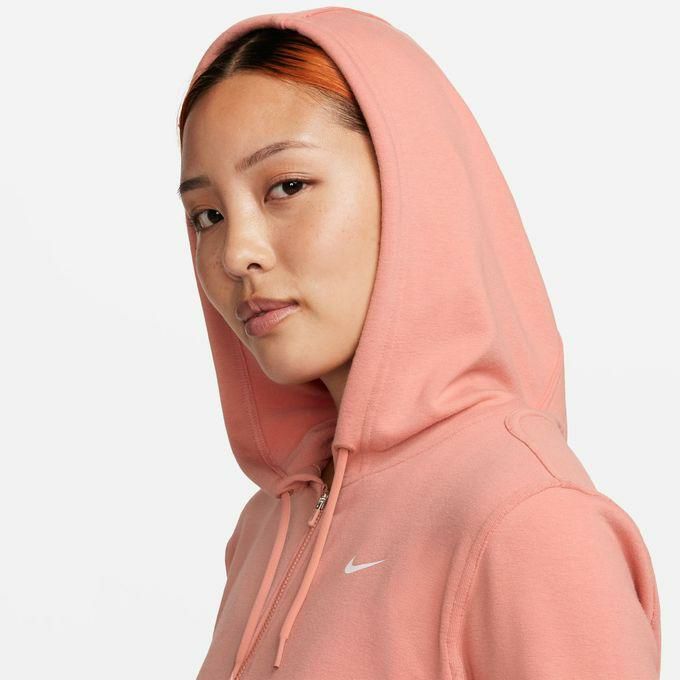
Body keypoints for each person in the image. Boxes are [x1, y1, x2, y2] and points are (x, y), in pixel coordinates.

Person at [176, 8, 662, 680]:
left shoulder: (528, 519)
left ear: (412, 188)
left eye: (287, 186)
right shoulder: (268, 525)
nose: (237, 253)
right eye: (207, 215)